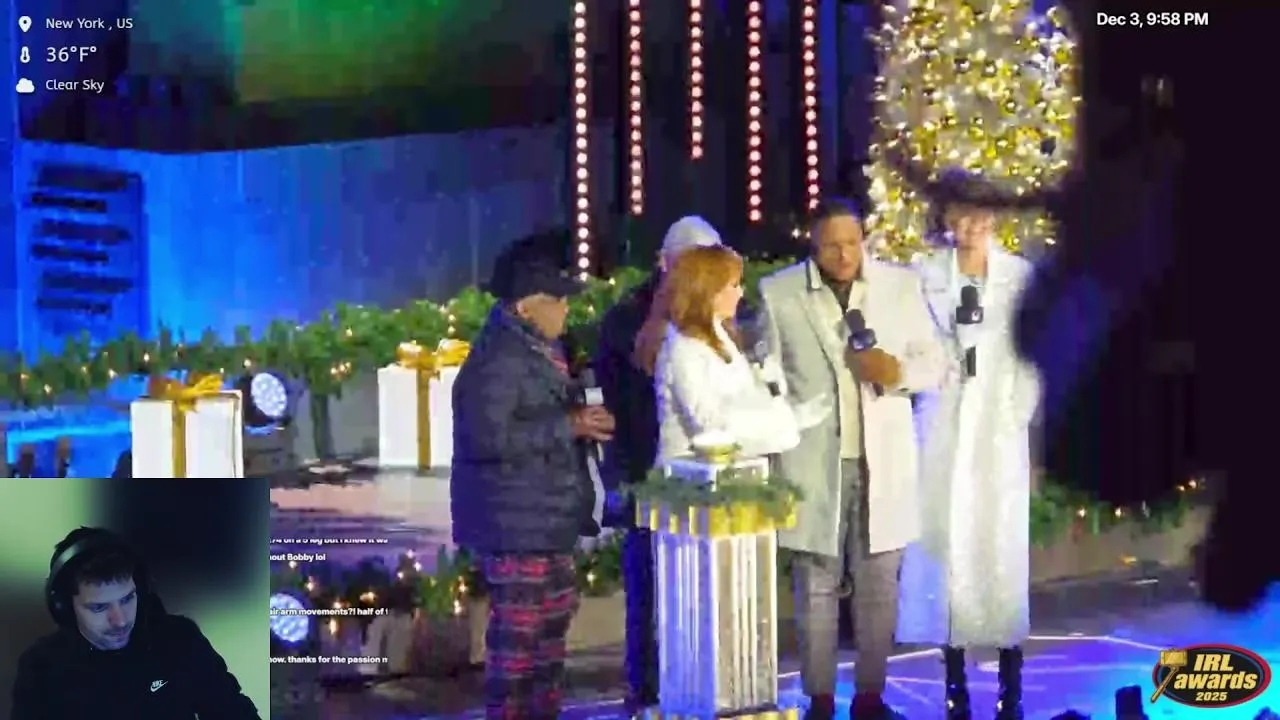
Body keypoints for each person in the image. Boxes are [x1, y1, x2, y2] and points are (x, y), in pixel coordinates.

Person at [756, 198, 947, 720]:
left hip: (884, 460)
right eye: (831, 246)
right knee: (815, 585)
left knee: (879, 584)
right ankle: (819, 699)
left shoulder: (899, 287)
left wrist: (896, 371)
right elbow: (767, 377)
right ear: (813, 246)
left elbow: (936, 363)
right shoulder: (779, 293)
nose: (844, 255)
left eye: (852, 243)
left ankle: (870, 698)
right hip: (813, 461)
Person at [451, 242, 615, 720]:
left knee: (548, 642)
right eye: (556, 299)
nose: (566, 309)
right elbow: (488, 438)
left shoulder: (544, 349)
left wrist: (583, 418)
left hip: (548, 519)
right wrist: (570, 425)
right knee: (518, 648)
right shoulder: (498, 359)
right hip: (516, 524)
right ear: (525, 306)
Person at [898, 195, 1041, 720]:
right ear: (945, 221)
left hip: (998, 432)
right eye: (959, 215)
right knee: (947, 554)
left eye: (980, 214)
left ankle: (1010, 687)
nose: (971, 225)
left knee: (1001, 554)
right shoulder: (924, 275)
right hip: (944, 426)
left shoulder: (1019, 277)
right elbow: (913, 345)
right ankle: (954, 685)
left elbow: (1032, 354)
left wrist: (1015, 411)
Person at [593, 215, 723, 713]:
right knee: (649, 590)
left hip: (709, 480)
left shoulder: (722, 314)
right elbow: (626, 407)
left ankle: (701, 686)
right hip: (649, 475)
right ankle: (646, 691)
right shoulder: (629, 321)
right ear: (665, 264)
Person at [10, 527, 261, 719]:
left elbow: (235, 712)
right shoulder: (40, 668)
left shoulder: (180, 640)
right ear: (65, 606)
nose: (120, 620)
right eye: (99, 607)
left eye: (128, 599)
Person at [654, 244, 831, 462]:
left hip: (730, 467)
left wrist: (774, 395)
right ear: (709, 291)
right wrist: (784, 422)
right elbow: (710, 422)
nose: (740, 293)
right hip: (690, 472)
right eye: (734, 285)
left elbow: (745, 398)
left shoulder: (720, 336)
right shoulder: (684, 348)